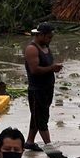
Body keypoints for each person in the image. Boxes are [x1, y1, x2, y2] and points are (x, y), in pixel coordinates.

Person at [24, 22, 63, 151]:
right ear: (40, 35)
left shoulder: (45, 46)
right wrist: (52, 68)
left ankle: (29, 142)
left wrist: (53, 68)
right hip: (37, 90)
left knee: (37, 115)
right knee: (41, 118)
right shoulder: (32, 49)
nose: (50, 40)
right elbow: (34, 70)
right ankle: (49, 145)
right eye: (48, 37)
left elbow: (46, 65)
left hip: (47, 88)